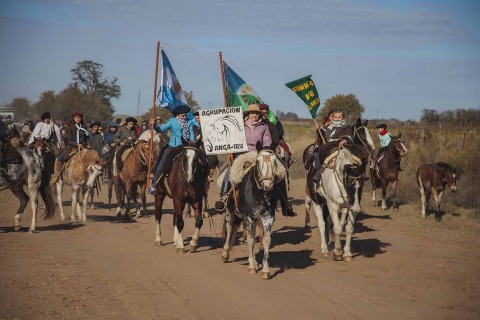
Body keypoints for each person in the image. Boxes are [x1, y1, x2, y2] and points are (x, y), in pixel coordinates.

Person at [215, 104, 272, 210]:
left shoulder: (264, 127)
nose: (254, 115)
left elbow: (267, 141)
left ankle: (281, 201)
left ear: (259, 115)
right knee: (230, 172)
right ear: (248, 114)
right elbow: (231, 137)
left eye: (256, 113)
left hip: (258, 155)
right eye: (252, 113)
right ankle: (223, 199)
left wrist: (265, 150)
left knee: (273, 172)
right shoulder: (240, 125)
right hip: (242, 154)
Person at [149, 105, 198, 194]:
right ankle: (154, 184)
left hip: (187, 147)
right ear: (178, 115)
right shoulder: (172, 122)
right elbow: (161, 129)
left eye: (185, 115)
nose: (185, 117)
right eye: (183, 115)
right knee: (162, 163)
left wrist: (192, 142)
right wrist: (155, 125)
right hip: (173, 147)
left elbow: (191, 134)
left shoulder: (190, 122)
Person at [51, 112, 91, 184]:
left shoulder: (84, 127)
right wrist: (77, 144)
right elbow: (69, 140)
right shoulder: (70, 127)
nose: (78, 119)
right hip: (72, 146)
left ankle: (92, 177)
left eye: (79, 117)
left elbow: (87, 137)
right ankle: (57, 176)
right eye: (76, 117)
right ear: (73, 118)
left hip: (83, 147)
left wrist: (88, 144)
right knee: (60, 158)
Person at [192, 111, 218, 182]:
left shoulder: (208, 124)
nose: (197, 119)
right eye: (196, 118)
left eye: (198, 118)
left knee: (213, 160)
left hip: (210, 145)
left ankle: (210, 175)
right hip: (201, 146)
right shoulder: (197, 126)